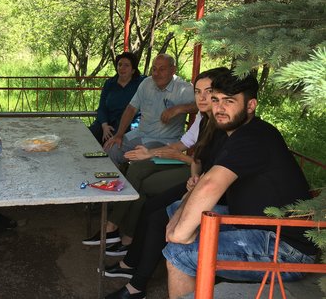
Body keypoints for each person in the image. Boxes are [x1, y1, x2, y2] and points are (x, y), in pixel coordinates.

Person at [104, 71, 315, 299]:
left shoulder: (254, 136)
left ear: (251, 105)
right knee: (170, 211)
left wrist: (178, 234)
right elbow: (205, 176)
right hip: (253, 224)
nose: (219, 108)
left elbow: (211, 185)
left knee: (179, 253)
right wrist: (176, 220)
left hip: (286, 247)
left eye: (229, 101)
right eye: (216, 100)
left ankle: (139, 286)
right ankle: (138, 275)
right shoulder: (233, 134)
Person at [84, 68, 227, 252]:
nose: (202, 97)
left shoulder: (221, 121)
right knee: (135, 167)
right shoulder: (202, 117)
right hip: (186, 163)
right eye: (198, 92)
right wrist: (149, 154)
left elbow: (198, 161)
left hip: (198, 172)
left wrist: (165, 152)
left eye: (209, 92)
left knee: (143, 182)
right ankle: (122, 232)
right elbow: (182, 145)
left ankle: (120, 232)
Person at [103, 54, 196, 167]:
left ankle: (129, 181)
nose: (156, 74)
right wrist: (119, 135)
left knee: (139, 162)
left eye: (162, 69)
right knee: (110, 149)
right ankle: (113, 183)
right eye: (154, 69)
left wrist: (179, 108)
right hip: (140, 133)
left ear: (173, 70)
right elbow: (131, 109)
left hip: (163, 141)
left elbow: (202, 106)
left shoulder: (184, 88)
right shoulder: (146, 83)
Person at [89, 52, 144, 144]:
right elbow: (102, 107)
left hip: (127, 124)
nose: (122, 68)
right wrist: (105, 126)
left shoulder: (141, 83)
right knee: (89, 136)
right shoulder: (110, 83)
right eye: (120, 64)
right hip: (107, 122)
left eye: (126, 65)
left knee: (111, 143)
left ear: (133, 70)